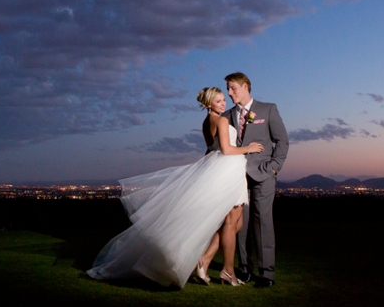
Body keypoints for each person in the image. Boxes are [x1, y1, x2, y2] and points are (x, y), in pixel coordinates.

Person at [86, 87, 263, 288]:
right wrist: (248, 148)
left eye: (224, 100)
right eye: (219, 101)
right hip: (227, 170)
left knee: (234, 224)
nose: (223, 103)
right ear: (208, 104)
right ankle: (227, 271)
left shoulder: (206, 123)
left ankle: (205, 259)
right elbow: (226, 149)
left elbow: (211, 149)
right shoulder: (222, 121)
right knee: (232, 223)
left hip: (221, 169)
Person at [224, 72, 289, 289]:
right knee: (240, 225)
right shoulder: (227, 116)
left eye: (232, 88)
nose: (229, 92)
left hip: (263, 176)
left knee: (263, 224)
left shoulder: (268, 109)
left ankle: (267, 274)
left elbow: (282, 141)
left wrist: (273, 168)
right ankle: (244, 269)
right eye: (228, 89)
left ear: (245, 86)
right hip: (237, 178)